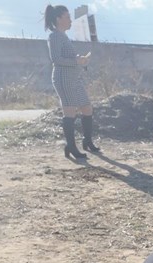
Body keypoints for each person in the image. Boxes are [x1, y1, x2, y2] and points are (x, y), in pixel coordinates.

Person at [44, 4, 100, 161]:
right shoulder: (54, 36)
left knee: (87, 108)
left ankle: (87, 141)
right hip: (63, 79)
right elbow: (56, 59)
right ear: (58, 19)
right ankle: (70, 146)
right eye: (67, 17)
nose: (70, 20)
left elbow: (68, 58)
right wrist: (77, 60)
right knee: (70, 112)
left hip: (75, 79)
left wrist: (81, 60)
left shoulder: (63, 36)